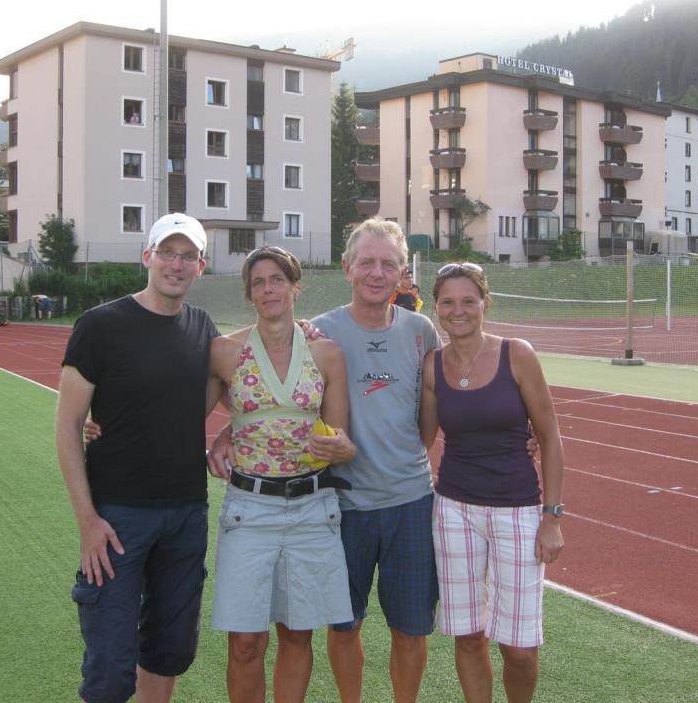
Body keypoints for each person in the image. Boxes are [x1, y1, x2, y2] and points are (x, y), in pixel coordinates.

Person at [217, 219, 442, 703]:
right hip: (343, 504)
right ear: (346, 268)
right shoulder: (317, 331)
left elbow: (433, 415)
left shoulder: (422, 331)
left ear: (403, 271)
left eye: (388, 264)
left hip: (410, 501)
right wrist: (225, 432)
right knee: (344, 625)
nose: (377, 273)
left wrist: (521, 433)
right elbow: (274, 393)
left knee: (410, 629)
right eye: (367, 262)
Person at [55, 212, 222, 703]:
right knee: (109, 670)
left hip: (186, 515)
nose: (176, 264)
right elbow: (67, 426)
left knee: (170, 651)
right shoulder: (100, 325)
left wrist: (230, 432)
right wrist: (87, 520)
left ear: (201, 266)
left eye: (187, 255)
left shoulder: (203, 327)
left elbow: (239, 388)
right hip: (117, 519)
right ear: (147, 256)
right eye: (167, 252)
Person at [208, 245, 357, 703]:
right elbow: (181, 413)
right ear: (248, 293)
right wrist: (103, 423)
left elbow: (341, 438)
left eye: (277, 280)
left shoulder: (326, 354)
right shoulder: (225, 352)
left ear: (296, 287)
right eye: (258, 282)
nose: (268, 289)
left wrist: (344, 448)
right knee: (245, 641)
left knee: (297, 634)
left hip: (313, 509)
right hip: (249, 509)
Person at [419, 263, 564, 703]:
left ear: (486, 303)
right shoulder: (432, 365)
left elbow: (550, 438)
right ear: (436, 308)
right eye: (448, 302)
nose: (458, 310)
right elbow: (422, 439)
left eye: (468, 300)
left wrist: (551, 518)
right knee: (467, 636)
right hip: (454, 511)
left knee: (519, 648)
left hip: (517, 511)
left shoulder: (517, 355)